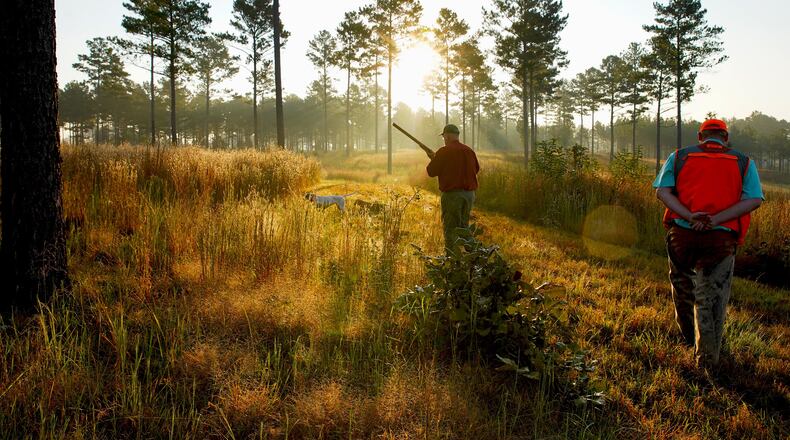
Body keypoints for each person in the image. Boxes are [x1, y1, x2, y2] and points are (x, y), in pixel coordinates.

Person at [653, 118, 764, 369]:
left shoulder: (680, 156)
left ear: (700, 136)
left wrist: (689, 215)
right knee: (710, 298)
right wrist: (715, 220)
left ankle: (687, 340)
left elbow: (662, 192)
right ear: (725, 138)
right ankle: (707, 361)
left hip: (681, 235)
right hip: (720, 240)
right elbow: (754, 200)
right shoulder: (744, 163)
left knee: (682, 288)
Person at [426, 124, 480, 255]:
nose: (444, 139)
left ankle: (451, 261)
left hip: (452, 196)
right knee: (464, 227)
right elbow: (476, 169)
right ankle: (476, 258)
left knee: (450, 229)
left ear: (448, 136)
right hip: (469, 195)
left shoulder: (444, 151)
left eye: (444, 137)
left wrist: (434, 159)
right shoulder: (469, 151)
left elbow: (431, 171)